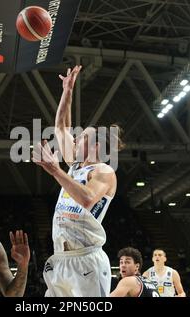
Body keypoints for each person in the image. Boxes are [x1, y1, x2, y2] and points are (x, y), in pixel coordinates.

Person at [33, 65, 124, 297]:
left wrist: (55, 170)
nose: (75, 138)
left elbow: (86, 199)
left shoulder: (104, 172)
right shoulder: (75, 165)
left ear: (94, 146)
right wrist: (68, 91)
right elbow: (61, 126)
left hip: (87, 259)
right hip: (61, 258)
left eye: (82, 137)